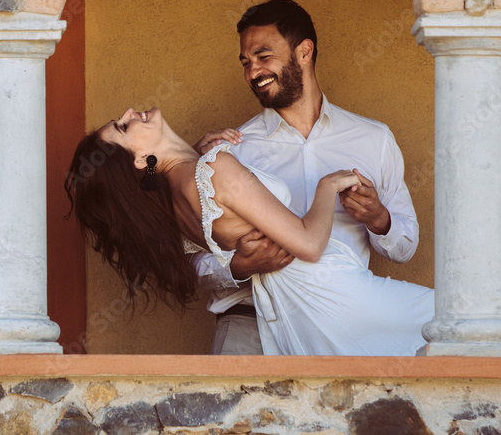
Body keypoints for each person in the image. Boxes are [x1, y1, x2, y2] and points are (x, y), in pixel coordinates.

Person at [66, 105, 433, 356]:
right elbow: (308, 244)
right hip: (333, 290)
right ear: (136, 159)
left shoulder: (174, 195)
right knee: (457, 321)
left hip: (297, 310)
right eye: (124, 126)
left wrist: (190, 153)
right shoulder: (215, 169)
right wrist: (328, 186)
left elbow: (175, 195)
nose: (131, 113)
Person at [191, 0, 432, 355]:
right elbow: (194, 260)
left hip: (348, 330)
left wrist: (380, 220)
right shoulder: (231, 152)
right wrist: (239, 266)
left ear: (304, 52)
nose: (253, 72)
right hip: (251, 326)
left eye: (263, 56)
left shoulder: (373, 139)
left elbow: (405, 245)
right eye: (246, 62)